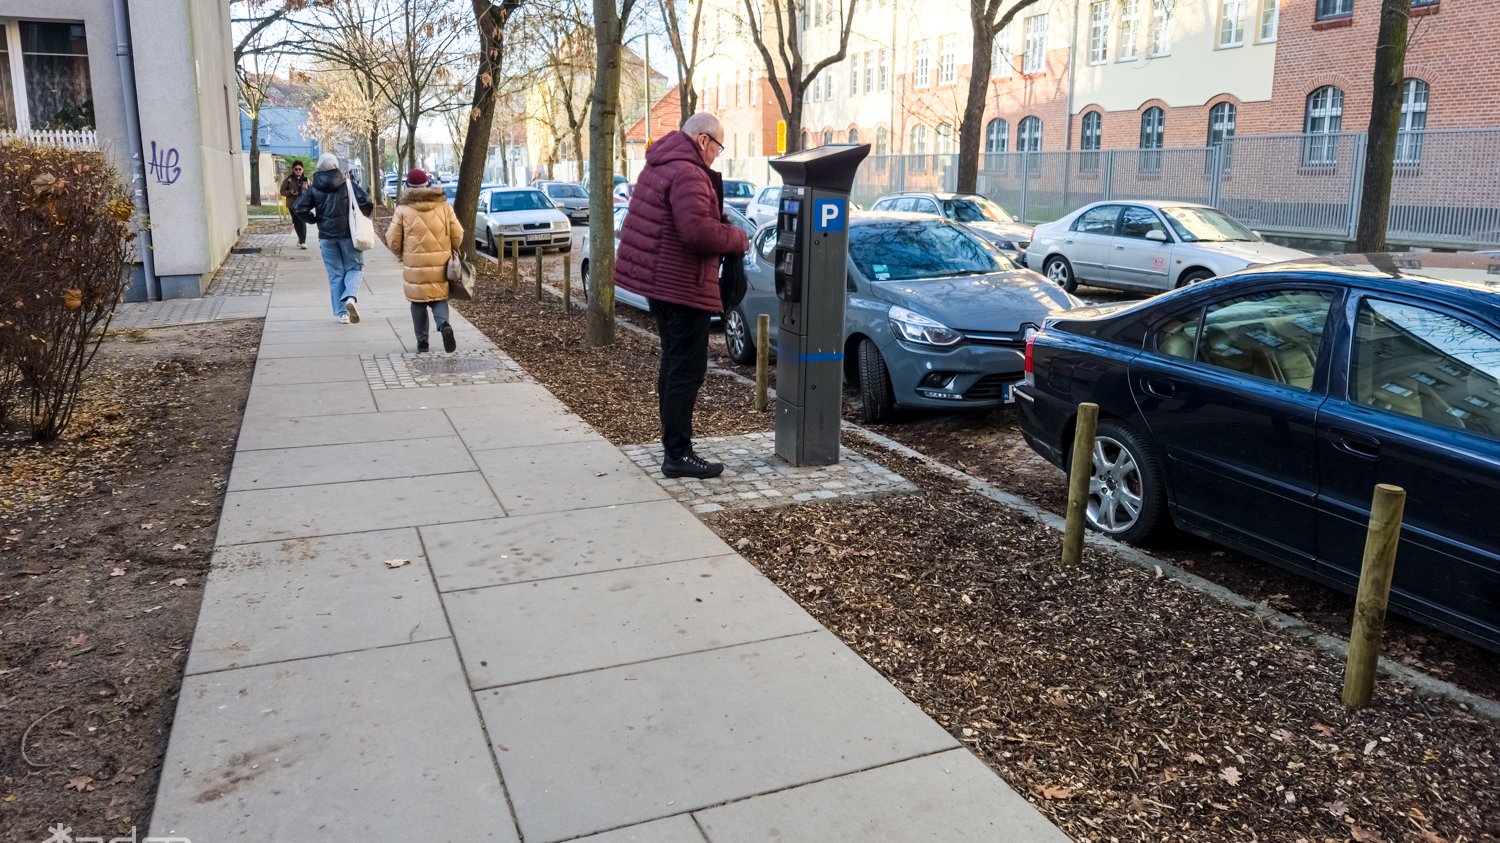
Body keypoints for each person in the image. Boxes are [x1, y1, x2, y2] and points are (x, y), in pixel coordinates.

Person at [614, 112, 749, 479]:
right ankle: (678, 453)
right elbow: (697, 233)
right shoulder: (688, 171)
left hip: (663, 285)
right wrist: (737, 238)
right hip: (682, 286)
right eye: (718, 147)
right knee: (686, 371)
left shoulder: (661, 164)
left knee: (673, 365)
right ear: (703, 140)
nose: (716, 155)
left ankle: (674, 447)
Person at [384, 168, 464, 353]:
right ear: (428, 184)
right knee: (438, 298)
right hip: (441, 263)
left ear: (408, 187)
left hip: (415, 266)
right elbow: (458, 233)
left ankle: (422, 342)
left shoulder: (403, 209)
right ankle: (444, 326)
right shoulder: (444, 206)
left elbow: (393, 239)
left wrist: (401, 254)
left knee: (418, 302)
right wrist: (452, 249)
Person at [293, 152, 374, 324]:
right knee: (355, 267)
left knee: (335, 274)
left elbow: (298, 207)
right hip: (348, 235)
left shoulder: (315, 188)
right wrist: (360, 216)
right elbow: (366, 201)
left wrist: (314, 219)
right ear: (336, 166)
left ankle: (342, 314)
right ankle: (350, 297)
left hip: (326, 237)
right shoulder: (348, 185)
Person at [278, 160, 310, 249]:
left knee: (302, 221)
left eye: (300, 169)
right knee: (296, 222)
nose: (298, 171)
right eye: (296, 169)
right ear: (293, 170)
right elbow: (282, 191)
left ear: (302, 169)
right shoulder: (289, 179)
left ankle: (303, 241)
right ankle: (300, 238)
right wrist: (290, 193)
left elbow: (311, 191)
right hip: (292, 204)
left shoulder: (306, 180)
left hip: (303, 205)